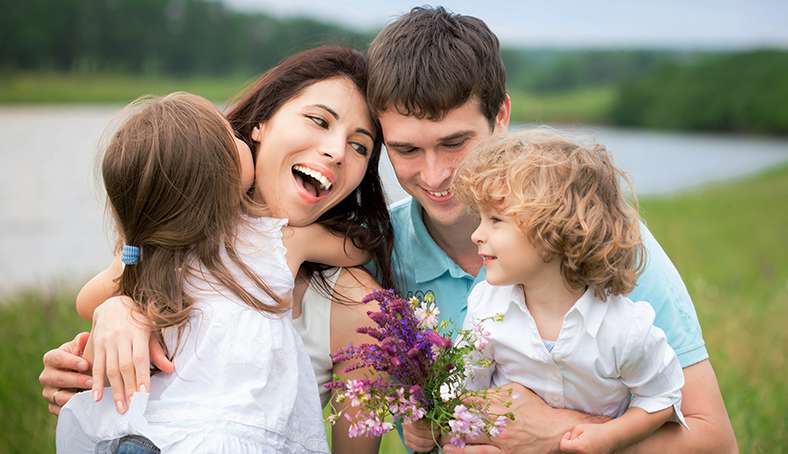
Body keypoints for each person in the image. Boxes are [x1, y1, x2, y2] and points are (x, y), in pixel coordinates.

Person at [364, 6, 736, 454]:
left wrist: (557, 437)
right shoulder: (375, 254)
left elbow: (715, 440)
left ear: (500, 116)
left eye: (455, 143)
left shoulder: (597, 235)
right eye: (405, 149)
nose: (435, 174)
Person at [44, 47, 391, 454]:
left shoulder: (353, 303)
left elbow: (355, 248)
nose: (336, 151)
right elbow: (110, 290)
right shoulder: (183, 237)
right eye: (318, 120)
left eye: (361, 146)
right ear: (260, 122)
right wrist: (119, 311)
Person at [405, 130, 691, 453]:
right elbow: (465, 380)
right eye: (481, 218)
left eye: (496, 220)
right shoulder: (487, 306)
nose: (477, 234)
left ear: (554, 230)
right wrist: (434, 419)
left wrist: (610, 437)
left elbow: (662, 396)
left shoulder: (623, 329)